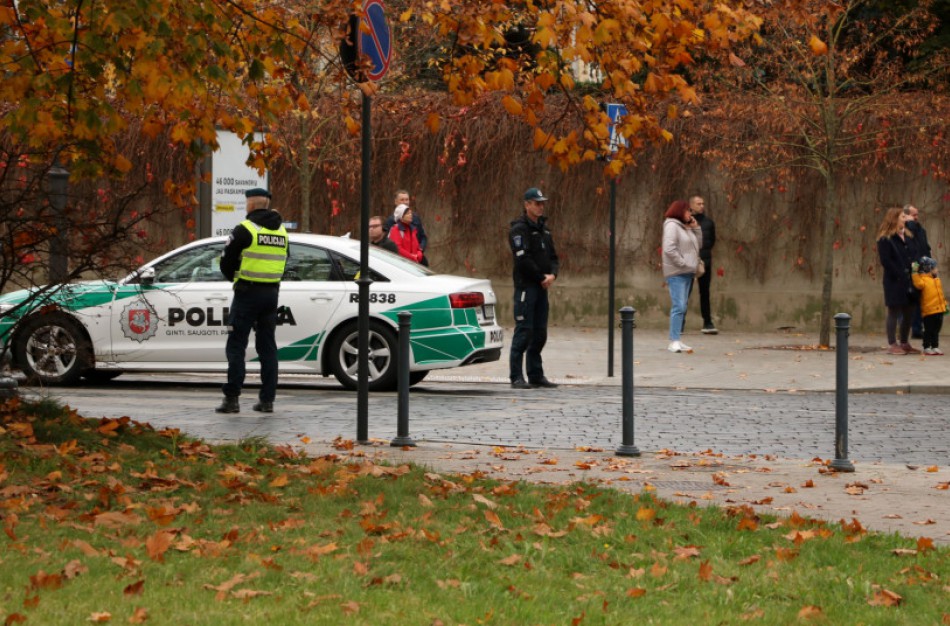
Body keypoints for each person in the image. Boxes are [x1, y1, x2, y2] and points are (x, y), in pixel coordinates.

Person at [215, 188, 289, 413]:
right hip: (271, 295)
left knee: (236, 345)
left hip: (247, 294)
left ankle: (232, 399)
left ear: (251, 205)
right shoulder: (282, 232)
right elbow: (285, 261)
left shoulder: (244, 229)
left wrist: (236, 279)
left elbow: (226, 263)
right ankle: (267, 400)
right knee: (267, 347)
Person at [509, 187, 559, 389]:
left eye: (542, 203)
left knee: (539, 333)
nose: (540, 207)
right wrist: (540, 277)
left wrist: (553, 274)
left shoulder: (544, 230)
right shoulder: (519, 229)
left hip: (542, 288)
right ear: (527, 204)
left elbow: (553, 257)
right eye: (537, 203)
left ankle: (536, 374)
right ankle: (516, 376)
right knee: (524, 332)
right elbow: (523, 260)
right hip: (526, 287)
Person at [876, 207, 920, 355]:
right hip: (894, 280)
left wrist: (915, 267)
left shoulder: (908, 236)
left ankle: (904, 342)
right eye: (902, 217)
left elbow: (915, 253)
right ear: (894, 219)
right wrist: (900, 273)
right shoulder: (885, 238)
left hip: (910, 279)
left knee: (909, 310)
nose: (905, 219)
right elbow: (886, 261)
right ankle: (892, 344)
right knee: (894, 310)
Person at [662, 199, 702, 353]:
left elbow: (698, 245)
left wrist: (696, 228)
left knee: (682, 307)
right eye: (687, 210)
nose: (690, 213)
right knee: (679, 306)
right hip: (677, 272)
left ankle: (677, 339)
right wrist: (683, 263)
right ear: (680, 211)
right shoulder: (672, 225)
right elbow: (669, 249)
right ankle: (673, 341)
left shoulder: (685, 227)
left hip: (687, 272)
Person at [686, 194, 717, 334]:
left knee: (705, 292)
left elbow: (712, 241)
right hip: (688, 262)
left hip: (705, 262)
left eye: (703, 203)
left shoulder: (709, 222)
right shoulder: (685, 221)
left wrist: (704, 256)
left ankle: (707, 322)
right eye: (698, 203)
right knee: (685, 292)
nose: (702, 206)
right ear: (691, 205)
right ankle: (680, 322)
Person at [903, 204, 930, 339]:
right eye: (914, 215)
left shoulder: (921, 230)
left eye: (917, 215)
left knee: (921, 299)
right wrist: (909, 223)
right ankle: (907, 329)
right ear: (906, 216)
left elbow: (925, 248)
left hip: (923, 268)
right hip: (911, 269)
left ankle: (917, 329)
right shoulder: (906, 229)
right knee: (910, 299)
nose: (916, 217)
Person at [911, 256, 947, 355]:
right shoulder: (923, 280)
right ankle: (926, 347)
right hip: (929, 311)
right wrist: (914, 272)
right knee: (929, 330)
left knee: (936, 330)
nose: (937, 270)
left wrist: (944, 305)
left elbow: (940, 295)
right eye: (935, 268)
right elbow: (917, 283)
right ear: (928, 268)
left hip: (939, 310)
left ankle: (935, 346)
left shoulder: (936, 280)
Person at [385, 190, 429, 265]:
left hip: (417, 257)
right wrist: (412, 257)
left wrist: (420, 251)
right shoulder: (391, 223)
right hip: (402, 260)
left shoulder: (415, 218)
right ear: (396, 202)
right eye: (402, 200)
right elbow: (396, 247)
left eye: (407, 199)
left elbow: (423, 237)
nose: (405, 202)